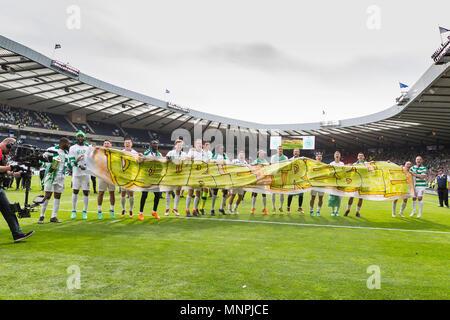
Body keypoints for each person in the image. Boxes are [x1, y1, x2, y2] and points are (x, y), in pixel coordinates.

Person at [0, 138, 34, 242]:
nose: (11, 151)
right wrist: (10, 167)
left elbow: (6, 172)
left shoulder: (3, 154)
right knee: (8, 210)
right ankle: (17, 233)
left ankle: (17, 234)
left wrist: (20, 172)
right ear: (8, 144)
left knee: (9, 210)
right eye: (11, 148)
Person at [39, 137, 72, 224]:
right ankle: (42, 216)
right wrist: (46, 166)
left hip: (61, 178)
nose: (69, 145)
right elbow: (42, 158)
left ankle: (53, 217)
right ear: (62, 143)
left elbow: (68, 165)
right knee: (47, 196)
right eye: (68, 144)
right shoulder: (52, 149)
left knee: (57, 196)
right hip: (51, 176)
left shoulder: (66, 154)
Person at [69, 131, 91, 220]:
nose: (80, 138)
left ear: (84, 138)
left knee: (86, 192)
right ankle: (74, 210)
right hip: (76, 173)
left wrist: (85, 166)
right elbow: (71, 161)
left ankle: (84, 211)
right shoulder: (73, 148)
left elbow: (91, 160)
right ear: (77, 138)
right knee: (75, 191)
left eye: (82, 137)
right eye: (79, 137)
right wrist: (78, 164)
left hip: (86, 173)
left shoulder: (88, 147)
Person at [138, 140, 163, 220]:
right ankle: (141, 213)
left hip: (155, 178)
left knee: (157, 195)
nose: (155, 146)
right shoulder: (146, 153)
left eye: (156, 145)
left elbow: (162, 165)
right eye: (154, 144)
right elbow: (140, 162)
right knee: (144, 195)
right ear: (150, 145)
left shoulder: (159, 154)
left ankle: (154, 211)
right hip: (147, 178)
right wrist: (140, 157)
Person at [186, 139, 209, 216]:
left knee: (198, 193)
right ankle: (187, 210)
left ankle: (194, 210)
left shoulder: (203, 152)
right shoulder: (191, 151)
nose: (199, 144)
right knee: (190, 192)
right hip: (192, 174)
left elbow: (206, 161)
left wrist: (207, 161)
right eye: (198, 143)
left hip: (200, 175)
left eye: (200, 143)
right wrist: (190, 158)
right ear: (195, 144)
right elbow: (187, 158)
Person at [165, 139, 186, 216]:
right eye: (178, 145)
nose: (179, 146)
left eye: (181, 145)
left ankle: (175, 208)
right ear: (175, 145)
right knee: (169, 191)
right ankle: (167, 209)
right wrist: (170, 159)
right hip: (171, 174)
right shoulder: (171, 152)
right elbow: (166, 160)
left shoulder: (184, 154)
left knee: (178, 192)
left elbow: (187, 162)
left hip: (179, 175)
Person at [97, 140, 116, 219]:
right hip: (102, 176)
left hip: (111, 176)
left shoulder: (114, 153)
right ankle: (99, 211)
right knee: (101, 193)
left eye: (108, 143)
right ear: (103, 145)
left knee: (112, 193)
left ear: (111, 145)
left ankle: (112, 210)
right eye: (105, 143)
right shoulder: (99, 153)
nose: (106, 144)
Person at [120, 138, 138, 218]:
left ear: (131, 144)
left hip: (131, 176)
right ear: (124, 144)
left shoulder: (135, 153)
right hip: (123, 176)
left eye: (129, 142)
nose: (127, 144)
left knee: (131, 193)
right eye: (126, 142)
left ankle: (131, 210)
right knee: (123, 193)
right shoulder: (121, 152)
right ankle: (123, 209)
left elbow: (138, 163)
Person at [344, 152, 365, 217]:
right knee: (351, 196)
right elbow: (351, 173)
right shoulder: (354, 164)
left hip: (363, 183)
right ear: (357, 157)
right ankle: (348, 210)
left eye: (362, 156)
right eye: (359, 156)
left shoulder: (366, 164)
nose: (360, 157)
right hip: (355, 182)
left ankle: (357, 212)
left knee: (361, 198)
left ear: (364, 157)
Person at [210, 144, 229, 215]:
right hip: (217, 176)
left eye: (223, 148)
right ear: (218, 149)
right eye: (221, 148)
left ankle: (221, 208)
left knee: (225, 192)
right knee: (215, 192)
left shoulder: (224, 156)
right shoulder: (215, 155)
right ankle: (212, 209)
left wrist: (226, 158)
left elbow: (228, 163)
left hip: (224, 176)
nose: (222, 150)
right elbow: (211, 161)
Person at [270, 145, 288, 213]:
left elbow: (286, 167)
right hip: (274, 176)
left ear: (282, 150)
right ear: (276, 150)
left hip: (281, 176)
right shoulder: (273, 157)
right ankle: (273, 206)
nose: (280, 150)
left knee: (282, 192)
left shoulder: (285, 157)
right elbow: (271, 166)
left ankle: (281, 206)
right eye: (279, 149)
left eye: (281, 149)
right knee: (273, 192)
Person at [251, 150, 269, 215]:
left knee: (264, 194)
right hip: (257, 179)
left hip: (263, 179)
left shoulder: (265, 161)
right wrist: (254, 165)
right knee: (255, 193)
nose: (262, 155)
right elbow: (252, 165)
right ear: (258, 155)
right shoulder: (256, 160)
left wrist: (265, 165)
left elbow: (268, 166)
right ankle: (253, 208)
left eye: (263, 154)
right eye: (261, 154)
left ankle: (264, 208)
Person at [287, 149, 304, 214]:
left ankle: (299, 207)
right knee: (290, 193)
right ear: (293, 153)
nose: (296, 152)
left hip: (299, 179)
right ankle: (288, 208)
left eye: (297, 151)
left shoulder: (301, 160)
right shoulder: (290, 160)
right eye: (295, 151)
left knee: (301, 194)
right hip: (292, 179)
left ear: (299, 153)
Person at [328, 151, 344, 216]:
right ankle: (332, 211)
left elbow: (343, 173)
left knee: (340, 198)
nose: (337, 155)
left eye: (338, 154)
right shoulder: (331, 163)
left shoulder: (342, 164)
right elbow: (329, 173)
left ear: (340, 156)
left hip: (340, 184)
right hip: (333, 183)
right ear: (334, 156)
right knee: (333, 197)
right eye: (336, 154)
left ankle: (337, 211)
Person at [198, 141, 213, 215]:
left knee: (206, 190)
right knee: (199, 191)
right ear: (203, 145)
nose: (208, 146)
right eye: (206, 145)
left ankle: (201, 208)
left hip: (207, 173)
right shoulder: (200, 152)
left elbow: (210, 161)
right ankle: (196, 208)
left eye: (209, 145)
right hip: (200, 172)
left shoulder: (210, 153)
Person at [310, 151, 325, 216]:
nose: (319, 157)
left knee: (321, 198)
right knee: (313, 197)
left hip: (321, 184)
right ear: (316, 157)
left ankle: (318, 211)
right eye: (318, 156)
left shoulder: (324, 165)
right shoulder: (313, 165)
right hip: (314, 184)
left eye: (320, 156)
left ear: (321, 158)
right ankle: (311, 210)